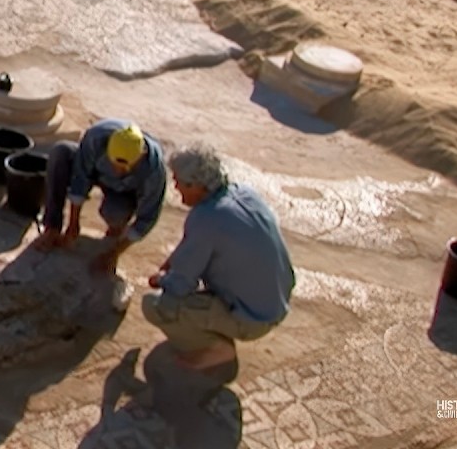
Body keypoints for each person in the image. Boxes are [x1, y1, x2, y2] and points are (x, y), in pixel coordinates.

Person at [142, 143, 295, 370]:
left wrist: (161, 279)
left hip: (253, 320)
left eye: (180, 182)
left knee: (155, 304)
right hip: (275, 302)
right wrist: (171, 264)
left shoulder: (206, 217)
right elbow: (192, 245)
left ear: (198, 186)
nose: (175, 187)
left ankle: (216, 349)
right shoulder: (244, 193)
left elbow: (181, 285)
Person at [34, 119, 166, 274]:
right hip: (98, 174)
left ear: (141, 155)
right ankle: (52, 227)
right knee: (60, 153)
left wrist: (114, 253)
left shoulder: (153, 171)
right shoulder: (96, 138)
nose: (118, 170)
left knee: (115, 213)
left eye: (124, 168)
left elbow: (147, 217)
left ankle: (115, 234)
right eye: (114, 164)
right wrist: (73, 224)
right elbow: (80, 178)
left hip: (124, 191)